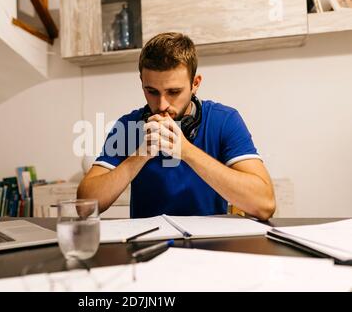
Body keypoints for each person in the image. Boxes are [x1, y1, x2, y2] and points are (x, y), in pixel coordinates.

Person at [77, 32, 275, 221]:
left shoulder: (224, 120)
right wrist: (140, 155)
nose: (162, 104)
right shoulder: (128, 126)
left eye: (173, 92)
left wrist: (186, 151)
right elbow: (84, 206)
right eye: (152, 91)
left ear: (195, 83)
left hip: (208, 246)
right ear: (142, 82)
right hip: (147, 247)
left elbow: (264, 204)